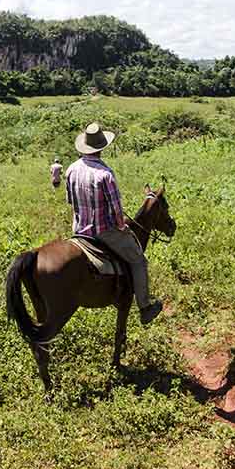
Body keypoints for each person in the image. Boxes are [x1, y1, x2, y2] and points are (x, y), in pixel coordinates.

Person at [64, 122, 163, 324]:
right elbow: (118, 213)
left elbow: (71, 202)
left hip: (78, 229)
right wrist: (121, 226)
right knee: (138, 260)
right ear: (102, 147)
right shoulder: (105, 174)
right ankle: (145, 306)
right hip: (102, 232)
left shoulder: (71, 169)